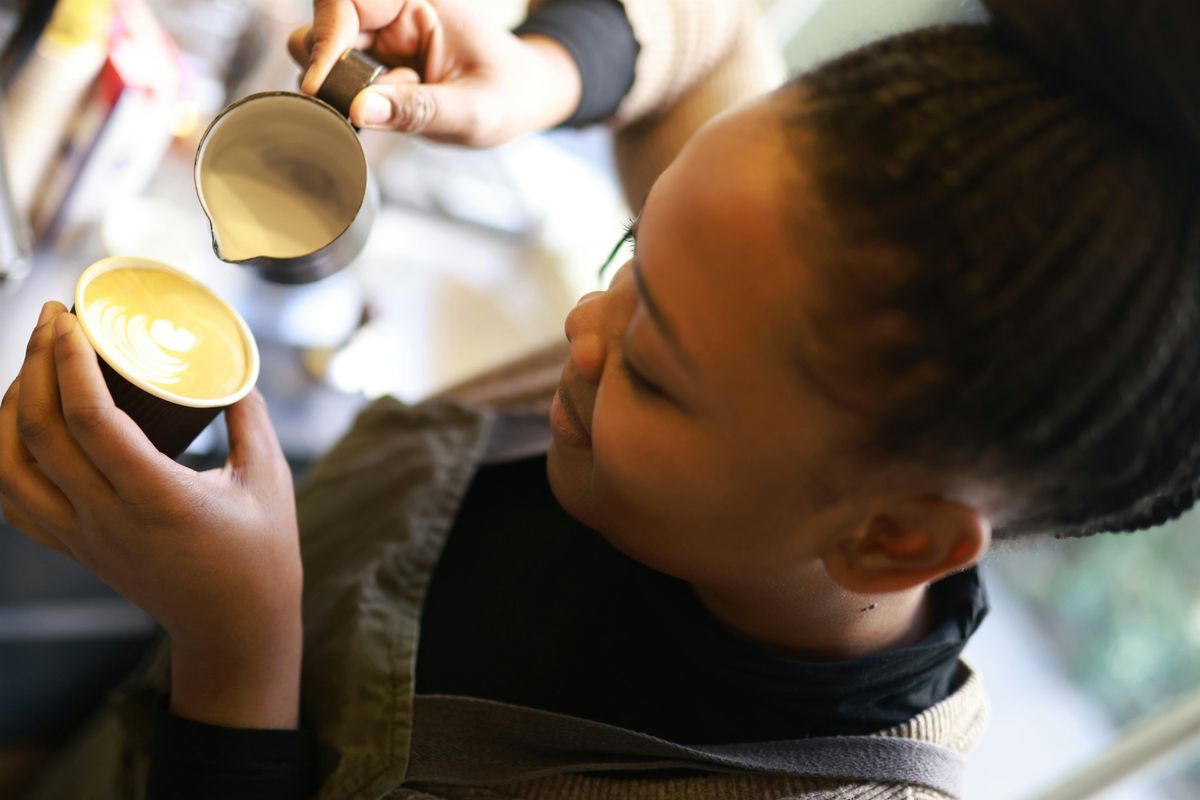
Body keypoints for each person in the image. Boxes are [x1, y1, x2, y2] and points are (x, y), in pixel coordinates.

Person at [3, 0, 1196, 798]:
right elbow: (708, 38)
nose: (583, 326)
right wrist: (551, 69)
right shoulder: (747, 322)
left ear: (893, 535)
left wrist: (236, 652)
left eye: (658, 367)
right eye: (630, 255)